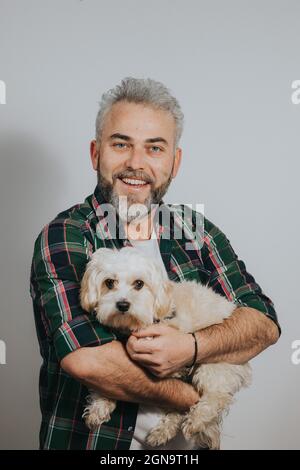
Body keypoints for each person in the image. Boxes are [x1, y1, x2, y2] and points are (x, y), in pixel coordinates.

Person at [30, 77, 280, 450]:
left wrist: (190, 347)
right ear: (95, 153)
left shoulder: (197, 232)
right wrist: (198, 400)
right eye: (121, 144)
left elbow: (262, 324)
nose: (136, 163)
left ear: (174, 161)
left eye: (155, 148)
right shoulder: (67, 234)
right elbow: (89, 362)